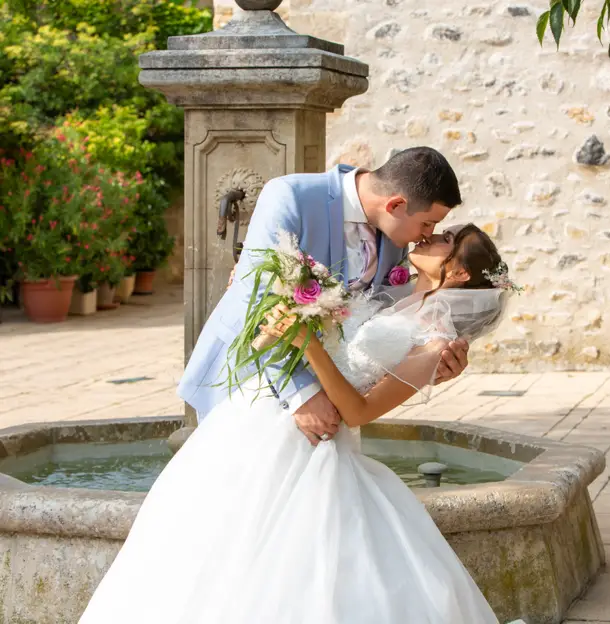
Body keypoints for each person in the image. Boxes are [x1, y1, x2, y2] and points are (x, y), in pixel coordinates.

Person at [79, 224, 517, 624]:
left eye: (445, 240)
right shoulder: (394, 293)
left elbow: (360, 412)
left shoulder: (436, 345)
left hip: (314, 441)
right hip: (259, 420)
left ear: (459, 273)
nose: (430, 235)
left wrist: (307, 344)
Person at [177, 147, 471, 446]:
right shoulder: (290, 196)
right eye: (427, 223)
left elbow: (375, 323)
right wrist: (301, 393)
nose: (426, 235)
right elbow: (258, 301)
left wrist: (425, 364)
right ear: (395, 204)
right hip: (252, 381)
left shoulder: (394, 237)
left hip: (328, 403)